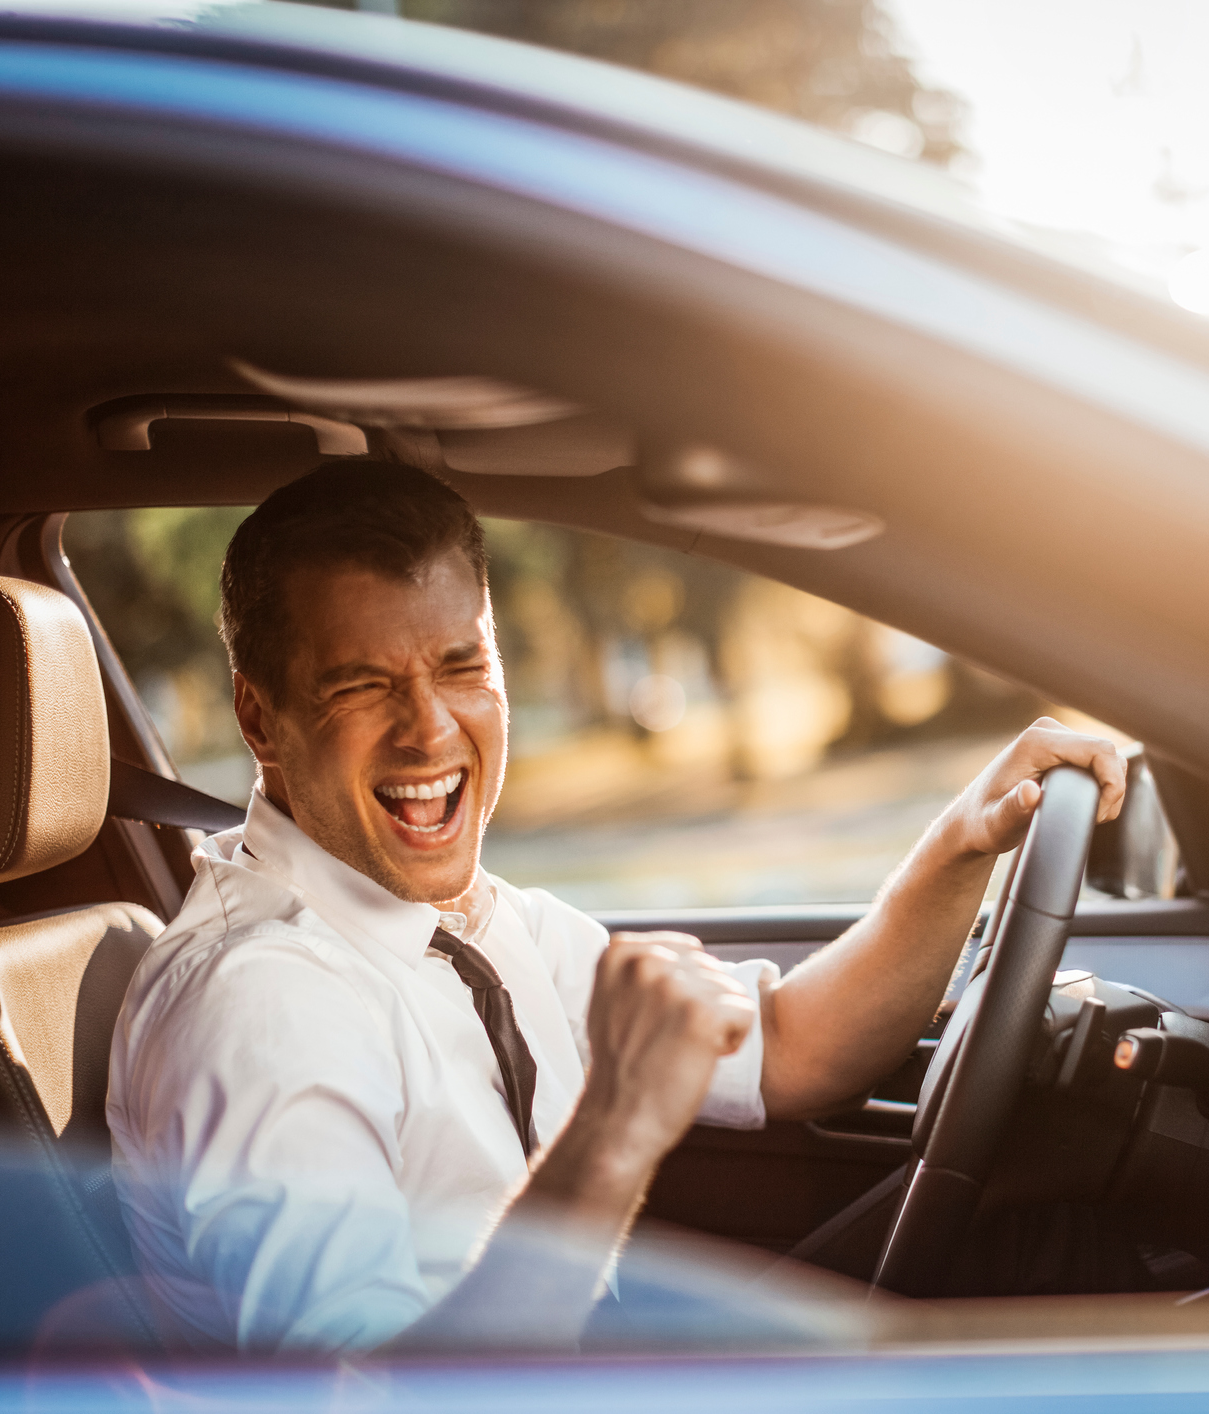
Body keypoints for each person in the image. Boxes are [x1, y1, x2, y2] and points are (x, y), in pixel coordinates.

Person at [106, 461, 1125, 1355]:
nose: (432, 729)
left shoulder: (474, 920)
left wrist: (964, 841)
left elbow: (785, 1042)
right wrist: (620, 1122)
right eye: (363, 685)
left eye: (463, 666)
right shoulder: (262, 1006)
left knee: (1045, 1243)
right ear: (260, 718)